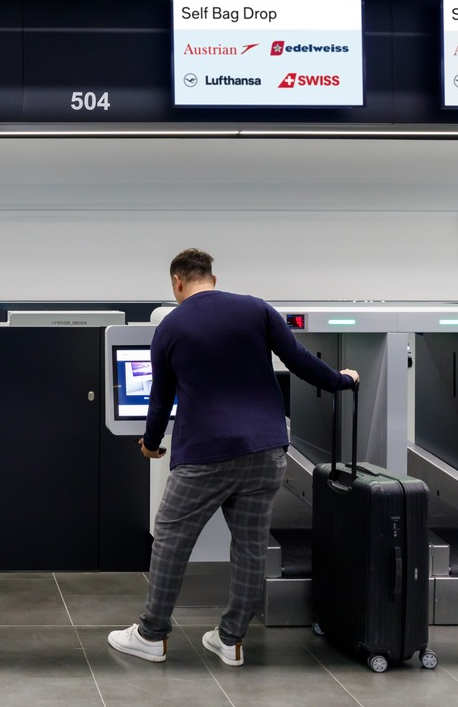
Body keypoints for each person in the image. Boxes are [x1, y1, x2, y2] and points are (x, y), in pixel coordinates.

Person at [108, 248, 358, 667]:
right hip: (266, 449)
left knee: (170, 539)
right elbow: (299, 362)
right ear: (213, 277)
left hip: (205, 453)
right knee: (249, 546)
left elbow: (160, 397)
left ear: (177, 282)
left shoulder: (170, 326)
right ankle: (231, 640)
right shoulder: (257, 310)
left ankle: (151, 635)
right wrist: (342, 380)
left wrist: (151, 443)